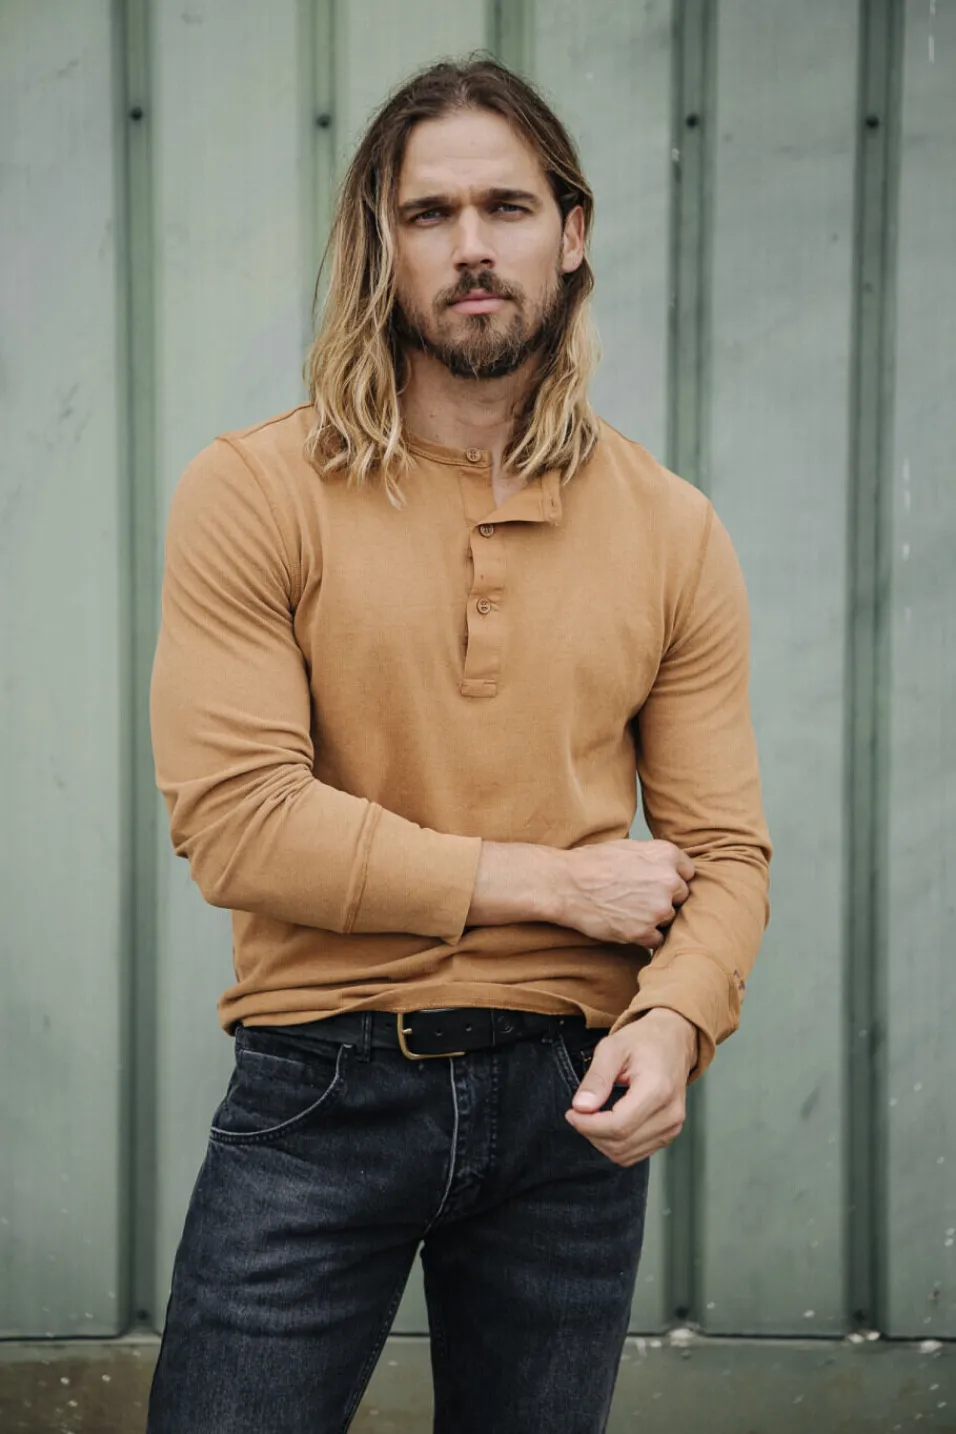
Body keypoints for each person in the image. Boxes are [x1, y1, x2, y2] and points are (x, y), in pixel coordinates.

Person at [145, 57, 771, 1434]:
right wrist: (558, 882)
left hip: (572, 1098)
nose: (472, 246)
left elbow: (725, 851)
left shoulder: (673, 529)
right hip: (323, 1082)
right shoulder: (253, 491)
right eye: (429, 214)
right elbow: (239, 823)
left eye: (507, 207)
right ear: (381, 244)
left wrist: (677, 1019)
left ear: (573, 232)